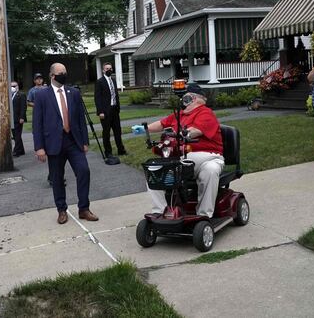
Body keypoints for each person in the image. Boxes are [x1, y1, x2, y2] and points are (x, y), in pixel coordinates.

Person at [144, 84, 224, 218]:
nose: (183, 100)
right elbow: (161, 124)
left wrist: (182, 133)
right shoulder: (180, 114)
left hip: (209, 156)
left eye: (187, 97)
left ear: (196, 99)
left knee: (210, 171)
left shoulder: (205, 113)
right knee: (154, 171)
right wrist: (144, 128)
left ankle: (204, 215)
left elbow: (196, 131)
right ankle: (160, 211)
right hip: (184, 158)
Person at [33, 63, 98, 224]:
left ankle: (84, 208)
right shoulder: (42, 96)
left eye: (65, 72)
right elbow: (37, 123)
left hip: (73, 141)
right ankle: (61, 210)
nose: (64, 75)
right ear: (52, 76)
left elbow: (80, 120)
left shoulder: (74, 93)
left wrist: (84, 141)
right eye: (61, 73)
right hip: (54, 143)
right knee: (57, 178)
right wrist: (39, 147)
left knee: (84, 171)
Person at [94, 62, 126, 157]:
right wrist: (100, 111)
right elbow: (97, 98)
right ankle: (108, 152)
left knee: (117, 131)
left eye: (110, 68)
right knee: (106, 132)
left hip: (114, 110)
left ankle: (121, 149)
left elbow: (115, 95)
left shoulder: (113, 80)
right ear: (103, 70)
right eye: (107, 69)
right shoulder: (100, 82)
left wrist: (118, 107)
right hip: (105, 112)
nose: (109, 70)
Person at [11, 81, 26, 157]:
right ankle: (21, 150)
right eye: (12, 86)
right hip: (12, 119)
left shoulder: (21, 95)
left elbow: (23, 107)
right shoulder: (10, 96)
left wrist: (22, 117)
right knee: (15, 135)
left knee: (17, 135)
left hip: (18, 118)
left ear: (18, 86)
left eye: (14, 86)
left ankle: (16, 150)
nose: (13, 87)